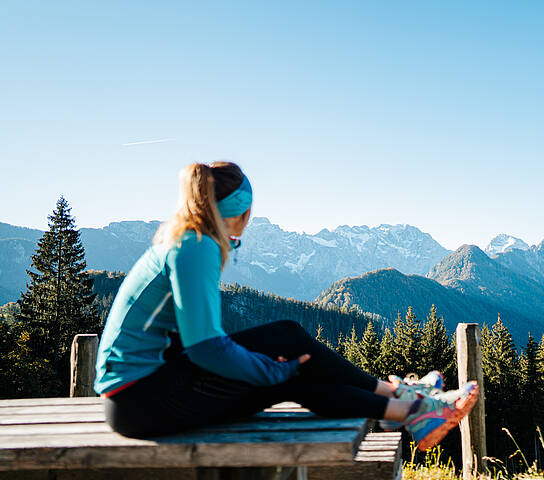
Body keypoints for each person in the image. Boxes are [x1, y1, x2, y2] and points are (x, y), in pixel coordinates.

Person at [94, 161, 478, 451]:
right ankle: (413, 410)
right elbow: (205, 346)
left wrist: (268, 365)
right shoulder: (196, 246)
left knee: (288, 336)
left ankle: (405, 402)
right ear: (241, 210)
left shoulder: (185, 241)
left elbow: (192, 343)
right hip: (140, 401)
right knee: (296, 372)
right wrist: (271, 371)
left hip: (146, 390)